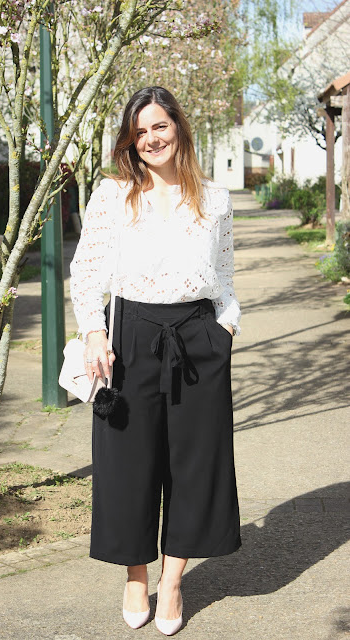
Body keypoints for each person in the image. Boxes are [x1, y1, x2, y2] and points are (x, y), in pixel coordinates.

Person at [70, 86, 241, 636]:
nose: (151, 139)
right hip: (130, 338)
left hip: (198, 336)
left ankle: (172, 580)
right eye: (140, 131)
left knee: (196, 465)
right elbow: (86, 275)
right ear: (130, 140)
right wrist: (96, 333)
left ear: (179, 129)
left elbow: (226, 279)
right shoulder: (113, 195)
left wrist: (225, 331)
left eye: (159, 127)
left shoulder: (214, 199)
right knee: (128, 464)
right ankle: (136, 574)